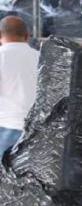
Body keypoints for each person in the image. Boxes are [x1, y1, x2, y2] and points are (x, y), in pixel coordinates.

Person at [0, 15, 40, 154]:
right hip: (38, 130)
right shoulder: (41, 57)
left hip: (7, 127)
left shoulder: (2, 56)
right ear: (27, 36)